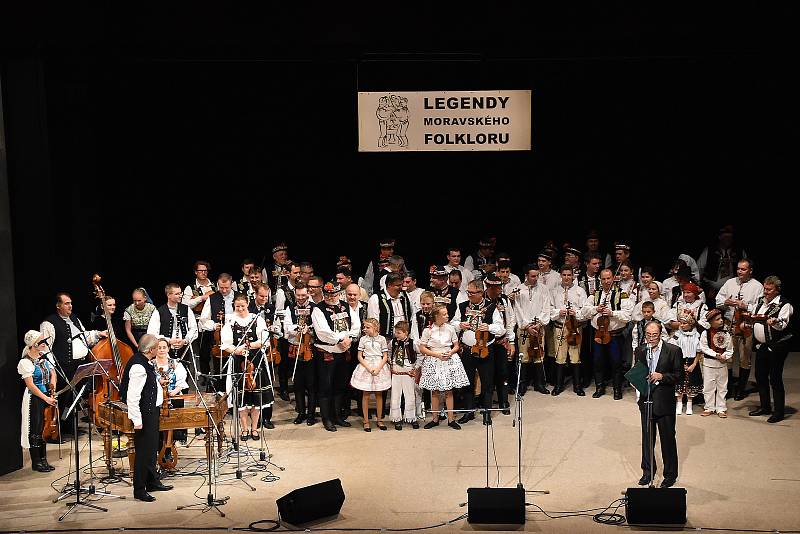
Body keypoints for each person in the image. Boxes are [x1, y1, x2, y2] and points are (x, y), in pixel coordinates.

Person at [40, 292, 107, 435]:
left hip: (79, 366)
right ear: (58, 306)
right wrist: (52, 370)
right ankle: (58, 429)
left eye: (70, 303)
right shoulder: (49, 323)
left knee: (74, 400)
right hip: (63, 368)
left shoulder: (75, 319)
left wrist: (98, 334)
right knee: (63, 399)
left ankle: (69, 426)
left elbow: (84, 336)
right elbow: (46, 348)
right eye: (66, 303)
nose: (70, 306)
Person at [119, 334, 173, 502]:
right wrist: (137, 420)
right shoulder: (138, 367)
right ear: (151, 350)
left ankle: (152, 482)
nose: (159, 350)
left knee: (151, 450)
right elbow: (132, 397)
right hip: (144, 414)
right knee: (143, 453)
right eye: (157, 347)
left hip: (151, 411)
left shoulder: (144, 361)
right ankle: (139, 489)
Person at [635, 321, 683, 488]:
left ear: (661, 334)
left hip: (665, 402)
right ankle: (648, 472)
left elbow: (679, 375)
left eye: (654, 335)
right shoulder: (640, 350)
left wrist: (662, 376)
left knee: (667, 439)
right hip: (646, 400)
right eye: (648, 335)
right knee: (647, 439)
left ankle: (670, 475)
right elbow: (638, 371)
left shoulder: (673, 350)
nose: (651, 338)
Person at [311, 281, 361, 432]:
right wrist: (340, 339)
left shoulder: (346, 306)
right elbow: (322, 332)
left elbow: (356, 325)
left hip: (343, 352)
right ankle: (327, 418)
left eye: (333, 294)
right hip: (327, 352)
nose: (330, 297)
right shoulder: (318, 309)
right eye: (327, 294)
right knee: (326, 387)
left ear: (339, 293)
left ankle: (337, 416)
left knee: (340, 386)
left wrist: (349, 338)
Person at [221, 294, 273, 437]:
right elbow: (226, 345)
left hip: (256, 361)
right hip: (239, 362)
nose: (240, 309)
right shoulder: (230, 322)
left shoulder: (257, 319)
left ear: (247, 304)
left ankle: (255, 428)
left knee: (256, 398)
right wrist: (237, 350)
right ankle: (244, 429)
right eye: (237, 306)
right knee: (241, 398)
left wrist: (251, 346)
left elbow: (264, 340)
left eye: (243, 306)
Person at [715, 259, 764, 401]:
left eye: (743, 269)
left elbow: (759, 307)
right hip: (729, 323)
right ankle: (729, 388)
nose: (739, 271)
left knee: (744, 358)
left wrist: (745, 306)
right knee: (727, 357)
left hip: (746, 325)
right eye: (738, 269)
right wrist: (726, 302)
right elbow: (718, 299)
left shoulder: (757, 286)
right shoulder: (730, 282)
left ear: (750, 270)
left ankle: (741, 390)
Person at [749, 276, 793, 423]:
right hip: (762, 345)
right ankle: (765, 407)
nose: (766, 291)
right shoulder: (761, 301)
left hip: (778, 345)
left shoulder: (784, 304)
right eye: (765, 288)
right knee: (760, 375)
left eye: (769, 289)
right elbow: (755, 318)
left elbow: (783, 325)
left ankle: (779, 412)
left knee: (775, 378)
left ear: (777, 290)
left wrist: (774, 322)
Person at [419, 305, 469, 430]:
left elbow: (456, 345)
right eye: (444, 314)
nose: (447, 316)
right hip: (434, 359)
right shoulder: (428, 330)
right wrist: (436, 354)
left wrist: (450, 352)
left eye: (447, 313)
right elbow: (422, 348)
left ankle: (451, 419)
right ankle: (435, 419)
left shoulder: (450, 328)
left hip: (448, 359)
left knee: (449, 391)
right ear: (437, 316)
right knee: (435, 391)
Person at [17, 330, 57, 472]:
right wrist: (45, 397)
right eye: (42, 341)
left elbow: (53, 373)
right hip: (35, 398)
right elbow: (31, 385)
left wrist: (52, 389)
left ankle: (44, 459)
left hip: (47, 395)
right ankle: (37, 462)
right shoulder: (25, 362)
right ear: (34, 344)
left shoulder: (44, 357)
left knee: (45, 428)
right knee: (36, 429)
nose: (45, 343)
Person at [283, 283, 317, 425]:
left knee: (312, 384)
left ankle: (311, 414)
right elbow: (286, 328)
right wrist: (298, 327)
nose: (301, 298)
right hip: (295, 349)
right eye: (298, 295)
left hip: (310, 349)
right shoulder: (290, 308)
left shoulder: (315, 308)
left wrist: (308, 329)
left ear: (308, 293)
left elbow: (318, 326)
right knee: (298, 384)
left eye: (304, 295)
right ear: (295, 294)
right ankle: (301, 412)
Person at [350, 318, 391, 431]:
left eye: (368, 327)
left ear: (375, 328)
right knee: (366, 394)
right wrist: (368, 367)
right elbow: (359, 356)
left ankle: (379, 419)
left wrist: (378, 368)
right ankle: (366, 421)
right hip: (366, 366)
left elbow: (385, 356)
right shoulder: (363, 339)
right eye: (364, 327)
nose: (365, 329)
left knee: (379, 394)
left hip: (379, 366)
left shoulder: (382, 339)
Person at [152, 337, 189, 451]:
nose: (162, 350)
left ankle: (170, 448)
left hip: (173, 398)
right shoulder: (150, 364)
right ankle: (159, 448)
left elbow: (182, 381)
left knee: (172, 425)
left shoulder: (175, 363)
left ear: (168, 349)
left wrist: (174, 391)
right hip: (157, 400)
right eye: (159, 348)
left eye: (164, 347)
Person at [699, 309, 733, 417]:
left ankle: (721, 408)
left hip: (722, 364)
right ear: (710, 322)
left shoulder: (727, 334)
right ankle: (709, 407)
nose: (721, 321)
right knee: (708, 386)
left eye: (721, 318)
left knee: (722, 386)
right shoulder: (706, 333)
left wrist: (725, 356)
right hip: (709, 363)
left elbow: (730, 349)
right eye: (717, 319)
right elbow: (704, 347)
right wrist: (715, 355)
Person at [667, 316, 703, 415]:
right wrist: (679, 364)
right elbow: (672, 347)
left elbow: (699, 351)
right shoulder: (677, 334)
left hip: (692, 361)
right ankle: (679, 402)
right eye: (681, 323)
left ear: (690, 324)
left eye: (684, 323)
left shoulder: (697, 335)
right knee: (680, 382)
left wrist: (694, 364)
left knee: (691, 382)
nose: (681, 325)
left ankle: (689, 403)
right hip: (680, 361)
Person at [388, 321, 419, 430]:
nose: (396, 334)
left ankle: (411, 417)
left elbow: (420, 354)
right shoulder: (393, 342)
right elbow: (388, 352)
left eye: (399, 333)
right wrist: (390, 364)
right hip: (396, 372)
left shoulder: (412, 343)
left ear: (406, 333)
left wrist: (415, 368)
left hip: (408, 372)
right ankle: (396, 418)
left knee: (410, 395)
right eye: (396, 332)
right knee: (395, 395)